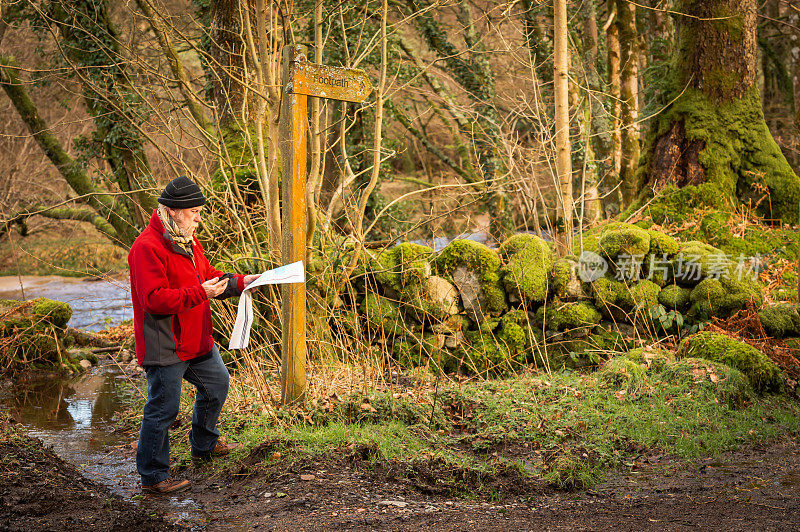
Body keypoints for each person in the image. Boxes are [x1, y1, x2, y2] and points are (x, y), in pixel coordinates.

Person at [128, 175, 259, 494]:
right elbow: (153, 299)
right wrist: (199, 293)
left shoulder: (188, 240)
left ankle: (204, 444)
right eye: (195, 212)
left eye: (200, 211)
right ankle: (153, 476)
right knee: (163, 409)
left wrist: (243, 282)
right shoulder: (145, 247)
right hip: (164, 344)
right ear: (173, 211)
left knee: (217, 385)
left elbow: (209, 277)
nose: (200, 218)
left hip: (197, 339)